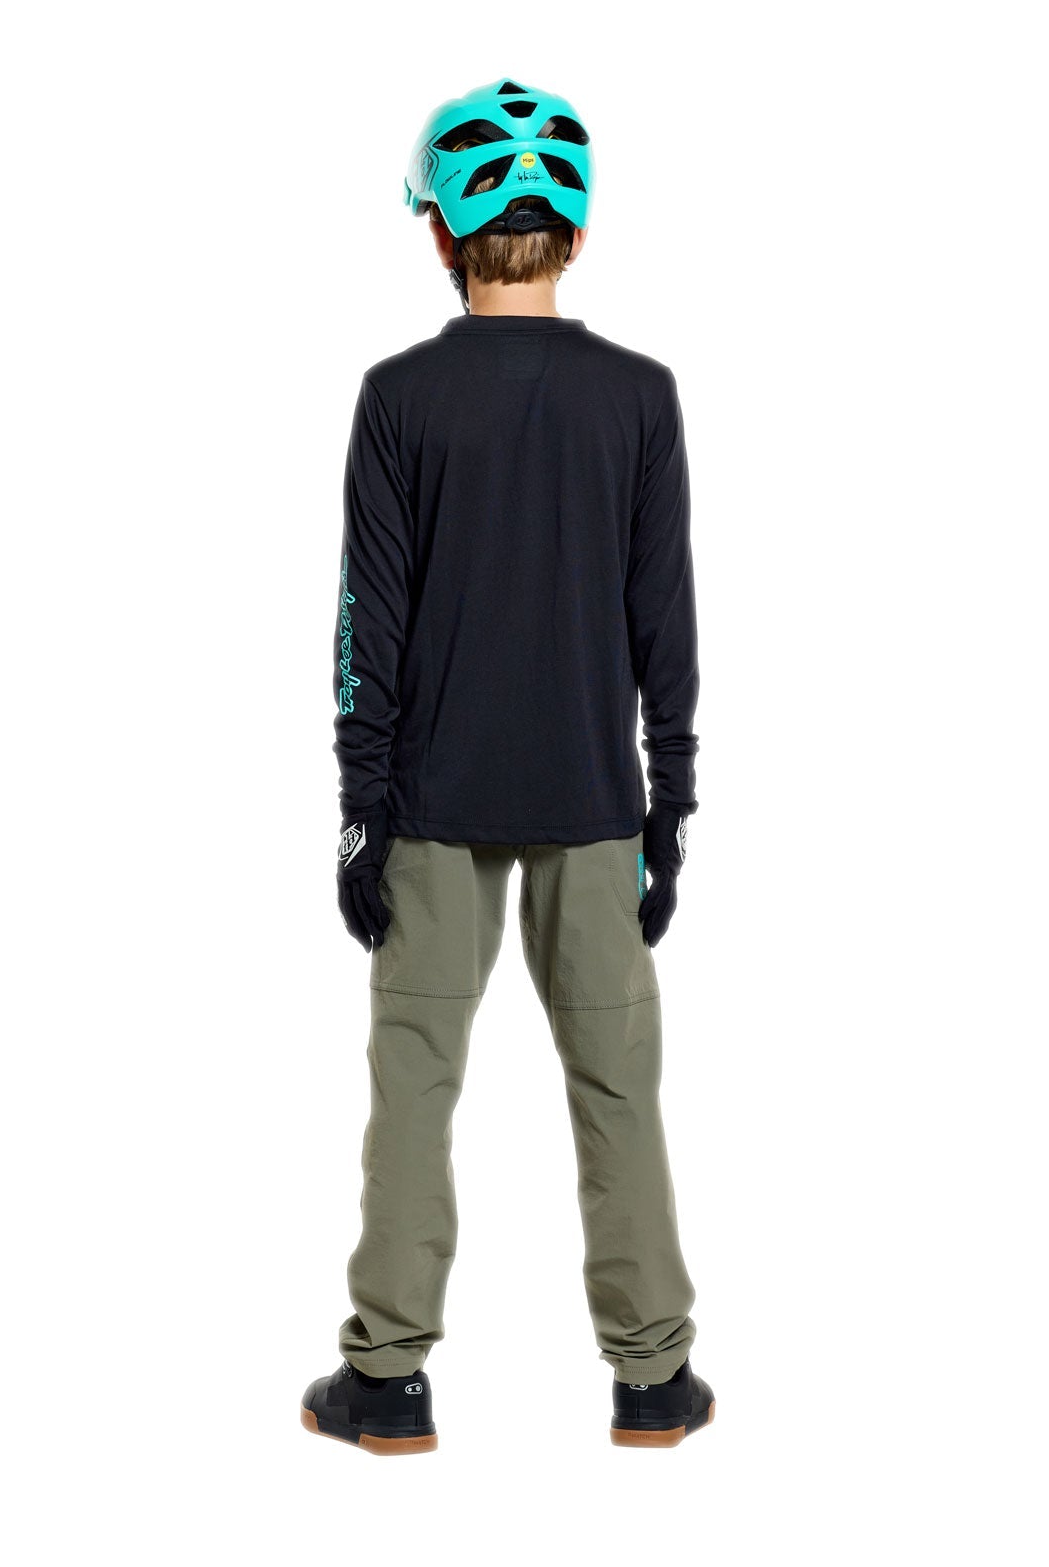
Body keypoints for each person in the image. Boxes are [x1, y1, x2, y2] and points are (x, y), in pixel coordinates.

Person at [300, 78, 714, 1455]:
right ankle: (653, 1379)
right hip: (597, 806)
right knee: (618, 1088)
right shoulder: (639, 398)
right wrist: (672, 806)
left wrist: (361, 813)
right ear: (577, 236)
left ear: (443, 235)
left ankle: (387, 1381)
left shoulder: (400, 399)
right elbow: (665, 622)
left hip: (434, 806)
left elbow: (367, 625)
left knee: (416, 1087)